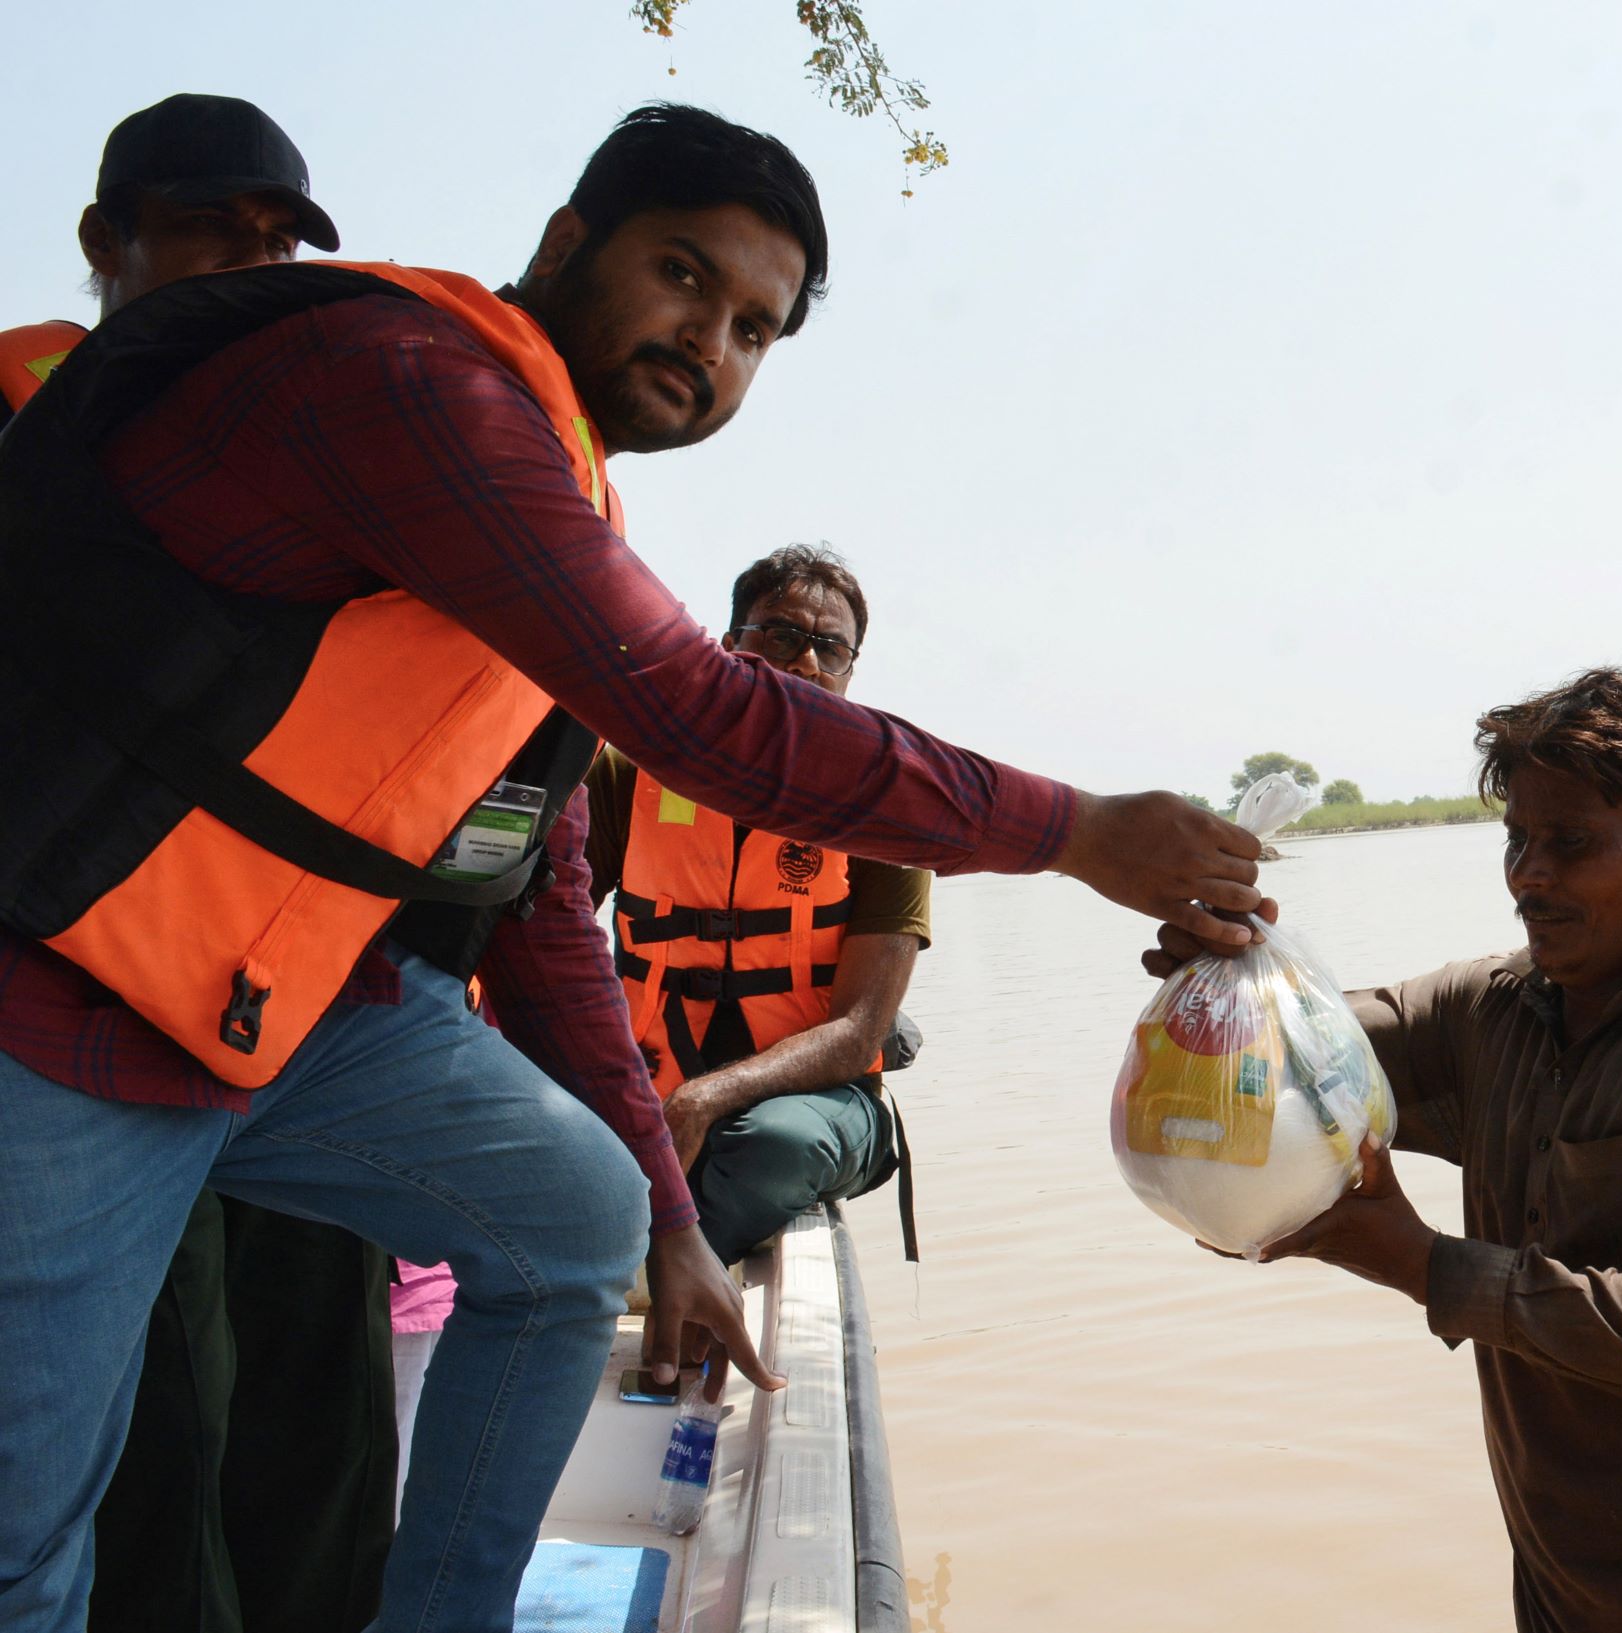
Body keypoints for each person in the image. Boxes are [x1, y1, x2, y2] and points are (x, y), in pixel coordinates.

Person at [0, 101, 1259, 1633]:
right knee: (32, 1543)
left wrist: (671, 1218)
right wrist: (1077, 831)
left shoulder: (553, 516)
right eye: (682, 276)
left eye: (753, 329)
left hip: (266, 1008)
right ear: (563, 246)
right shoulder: (414, 386)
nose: (710, 342)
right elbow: (701, 714)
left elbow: (537, 907)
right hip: (57, 992)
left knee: (572, 1218)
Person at [1145, 669, 1622, 1632]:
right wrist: (1226, 978)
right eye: (1517, 840)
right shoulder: (1487, 1015)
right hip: (1569, 1595)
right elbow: (1303, 1050)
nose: (1527, 876)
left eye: (1571, 843)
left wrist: (1423, 1265)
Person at [1, 93, 399, 1633]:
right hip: (77, 1027)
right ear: (107, 244)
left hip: (298, 1009)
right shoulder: (26, 419)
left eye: (278, 243)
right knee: (158, 1422)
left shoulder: (330, 447)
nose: (252, 269)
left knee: (320, 1394)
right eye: (209, 235)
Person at [587, 544, 927, 1264]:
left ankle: (665, 1273)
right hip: (649, 1080)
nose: (804, 662)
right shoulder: (628, 772)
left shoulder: (891, 805)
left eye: (829, 647)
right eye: (779, 635)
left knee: (773, 1144)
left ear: (850, 671)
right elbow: (541, 936)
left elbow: (859, 1025)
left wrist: (706, 1099)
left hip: (822, 1102)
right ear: (729, 645)